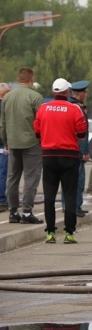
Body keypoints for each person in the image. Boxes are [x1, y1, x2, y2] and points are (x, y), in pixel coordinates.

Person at [34, 78, 87, 244]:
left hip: (49, 155)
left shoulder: (43, 108)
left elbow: (37, 132)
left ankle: (50, 233)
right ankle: (69, 233)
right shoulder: (75, 109)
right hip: (69, 155)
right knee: (69, 194)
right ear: (67, 92)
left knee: (49, 196)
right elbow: (81, 133)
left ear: (53, 92)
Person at [0, 67, 44, 224]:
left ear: (19, 79)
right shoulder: (35, 97)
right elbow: (40, 122)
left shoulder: (7, 97)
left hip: (13, 142)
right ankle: (26, 212)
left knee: (12, 178)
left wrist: (6, 141)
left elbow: (3, 123)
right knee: (31, 178)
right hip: (31, 142)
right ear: (31, 79)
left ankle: (13, 212)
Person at [67, 80, 91, 217]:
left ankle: (70, 206)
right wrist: (85, 151)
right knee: (78, 179)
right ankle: (75, 207)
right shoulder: (78, 108)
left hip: (68, 147)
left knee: (68, 180)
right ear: (80, 93)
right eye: (85, 92)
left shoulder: (69, 105)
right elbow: (82, 132)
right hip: (76, 149)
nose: (86, 94)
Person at [0, 82, 11, 212]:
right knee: (2, 173)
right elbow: (4, 126)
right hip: (2, 144)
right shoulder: (4, 106)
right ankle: (1, 200)